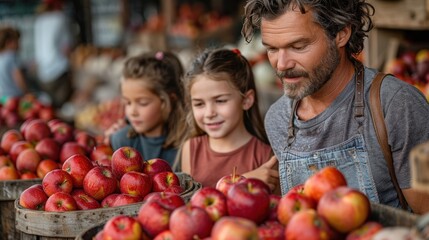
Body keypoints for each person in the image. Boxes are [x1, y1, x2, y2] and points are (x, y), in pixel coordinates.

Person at [241, 0, 429, 213]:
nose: (282, 64)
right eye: (272, 49)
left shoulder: (395, 105)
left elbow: (425, 221)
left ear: (341, 33)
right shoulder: (278, 119)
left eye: (298, 46)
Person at [178, 48, 279, 191]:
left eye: (220, 101)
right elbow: (191, 206)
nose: (209, 113)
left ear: (246, 100)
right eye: (199, 104)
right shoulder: (191, 149)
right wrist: (243, 181)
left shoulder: (266, 156)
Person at [107, 51, 187, 166]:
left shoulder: (186, 145)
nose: (132, 112)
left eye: (142, 103)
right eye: (127, 103)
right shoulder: (121, 141)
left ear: (169, 100)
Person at [33, 0, 75, 108]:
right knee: (62, 108)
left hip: (43, 73)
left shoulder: (39, 20)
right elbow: (66, 48)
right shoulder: (60, 18)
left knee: (49, 109)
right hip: (59, 69)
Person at [0, 26, 27, 102]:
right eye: (17, 41)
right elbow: (18, 77)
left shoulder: (1, 57)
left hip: (2, 98)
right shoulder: (12, 56)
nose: (20, 44)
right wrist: (27, 93)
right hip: (15, 98)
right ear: (9, 42)